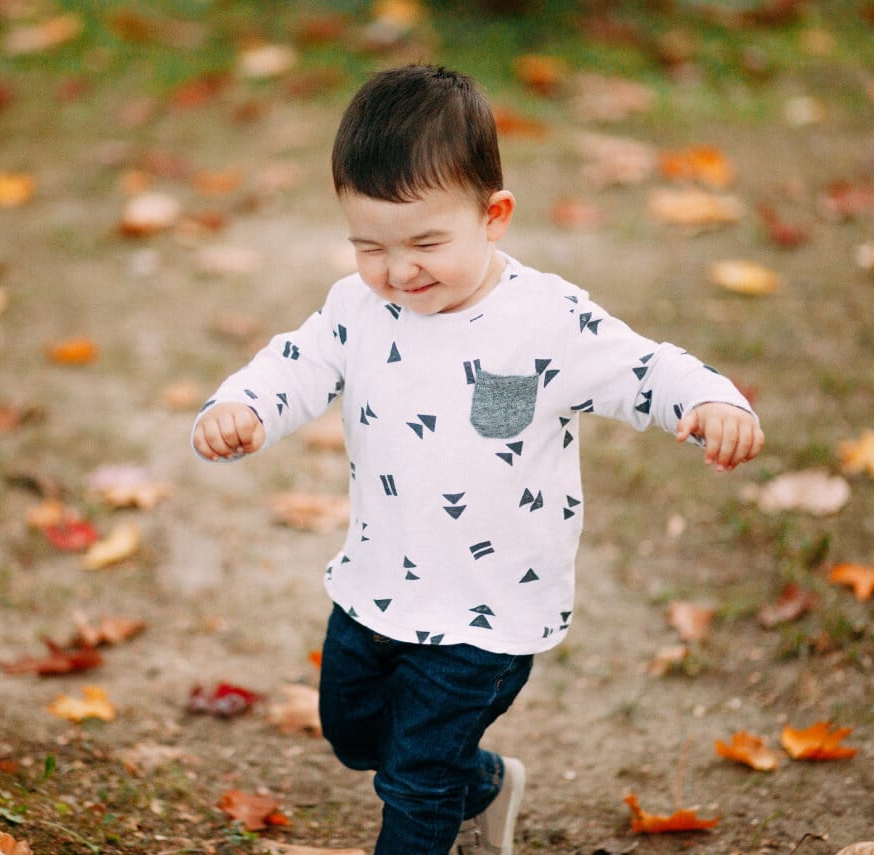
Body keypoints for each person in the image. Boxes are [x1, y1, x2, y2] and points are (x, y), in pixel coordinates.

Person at [192, 64, 764, 855]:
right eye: (370, 246)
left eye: (427, 242)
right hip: (377, 584)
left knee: (417, 781)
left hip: (486, 610)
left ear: (494, 216)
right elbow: (295, 363)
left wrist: (711, 402)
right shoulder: (357, 309)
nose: (398, 271)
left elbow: (644, 366)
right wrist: (245, 406)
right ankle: (487, 782)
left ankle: (445, 799)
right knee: (356, 734)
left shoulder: (544, 321)